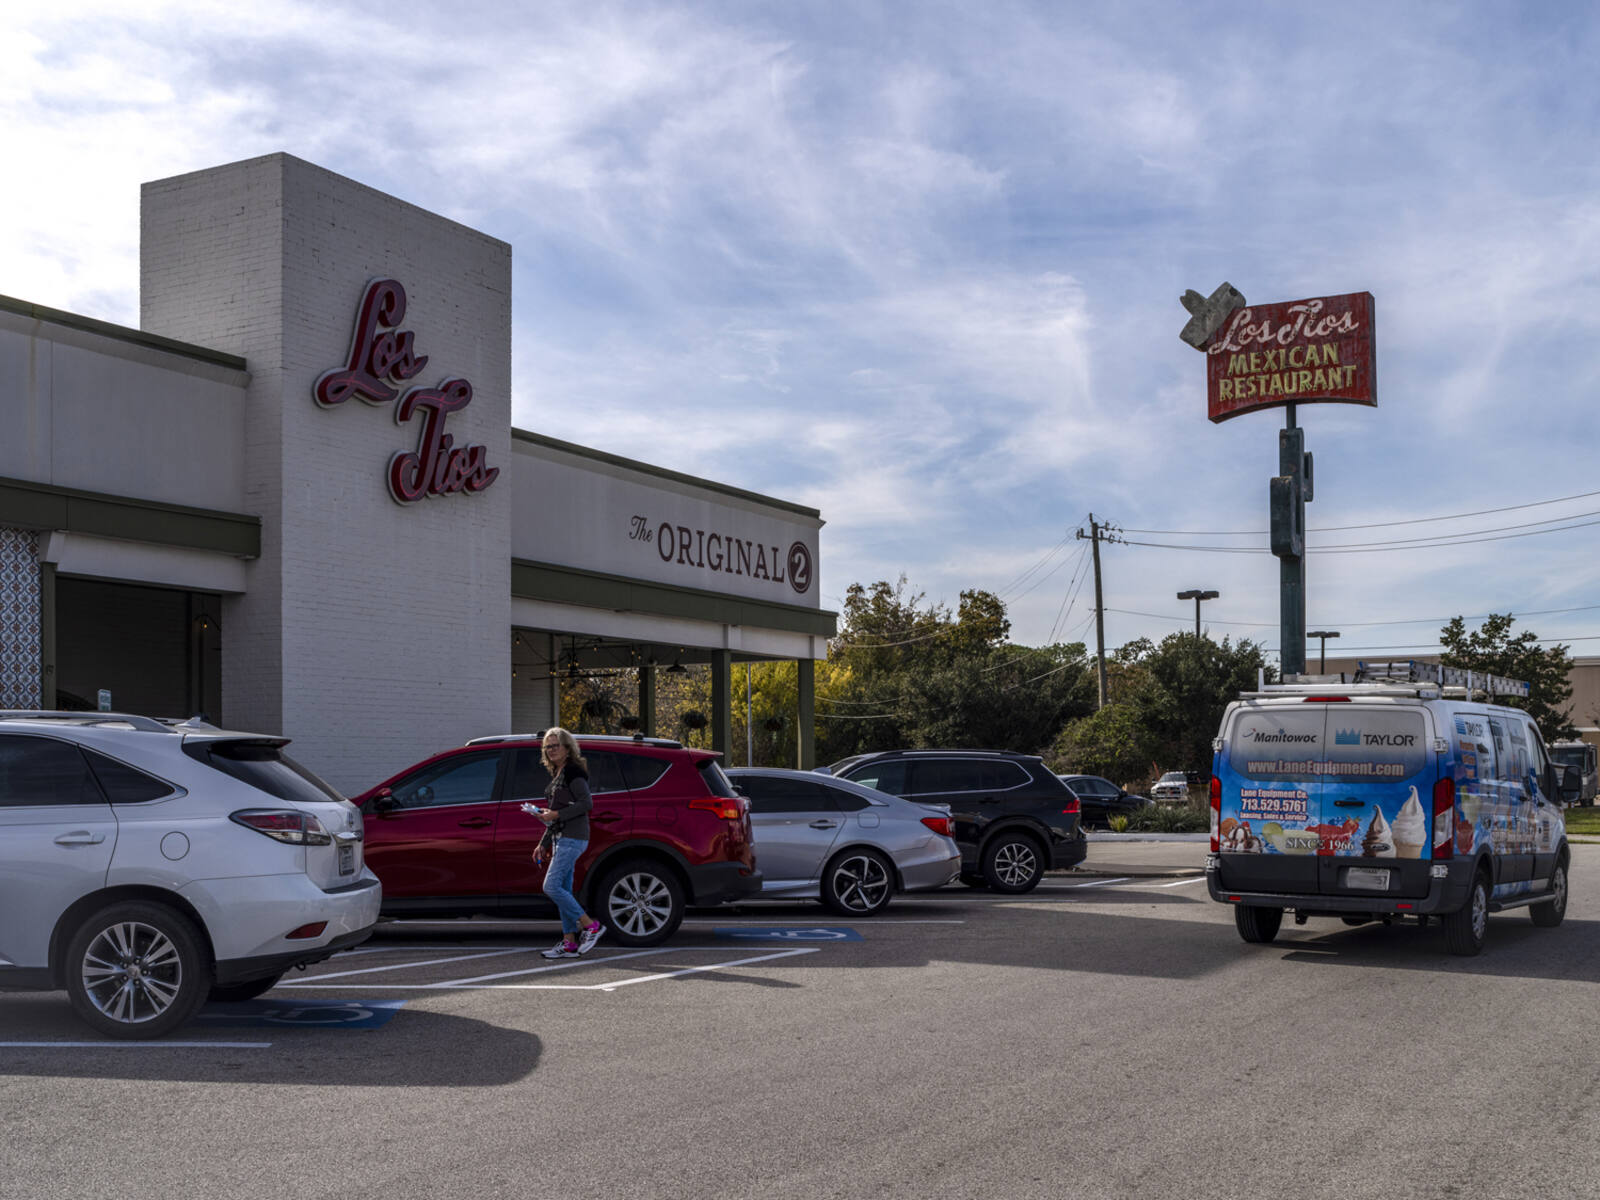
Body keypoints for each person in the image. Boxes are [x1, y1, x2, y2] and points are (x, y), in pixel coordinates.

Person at [530, 727, 606, 958]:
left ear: (567, 748)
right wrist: (543, 842)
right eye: (548, 747)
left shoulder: (573, 771)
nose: (551, 750)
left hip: (573, 838)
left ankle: (591, 926)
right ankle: (569, 943)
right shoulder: (558, 772)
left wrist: (555, 815)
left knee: (551, 887)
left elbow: (586, 804)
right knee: (563, 889)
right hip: (561, 837)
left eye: (556, 745)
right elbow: (556, 811)